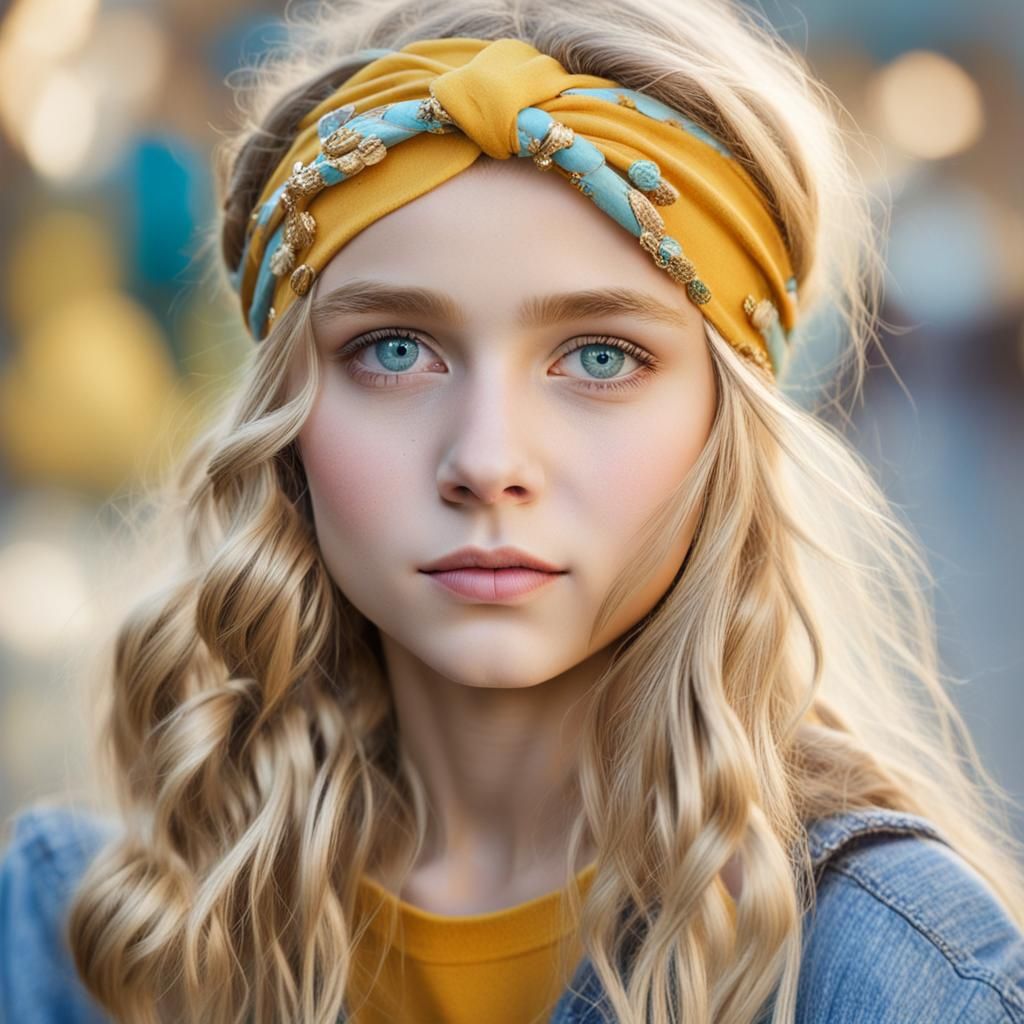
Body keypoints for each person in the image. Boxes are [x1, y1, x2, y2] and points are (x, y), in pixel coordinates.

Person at [2, 0, 1024, 1021]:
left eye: (599, 356)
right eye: (395, 349)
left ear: (726, 423)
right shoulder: (83, 937)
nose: (486, 461)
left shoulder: (906, 979)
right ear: (286, 414)